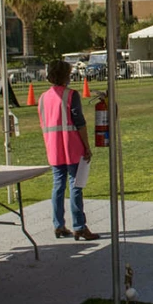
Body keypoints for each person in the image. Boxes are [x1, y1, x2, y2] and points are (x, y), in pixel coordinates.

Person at [38, 60, 99, 241]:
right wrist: (87, 146)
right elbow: (79, 122)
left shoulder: (43, 98)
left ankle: (58, 225)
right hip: (71, 145)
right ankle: (79, 225)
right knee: (75, 185)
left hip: (54, 147)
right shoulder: (70, 95)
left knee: (58, 186)